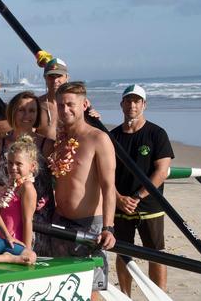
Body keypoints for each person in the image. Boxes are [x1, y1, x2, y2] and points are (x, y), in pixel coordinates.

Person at [50, 81, 116, 296]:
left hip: (90, 226)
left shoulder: (98, 139)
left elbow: (108, 188)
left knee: (90, 291)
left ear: (84, 104)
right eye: (61, 105)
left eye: (71, 104)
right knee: (64, 288)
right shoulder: (58, 141)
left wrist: (109, 227)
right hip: (60, 224)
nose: (65, 109)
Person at [111, 84, 173, 296]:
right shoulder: (112, 136)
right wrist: (118, 198)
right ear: (122, 104)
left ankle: (159, 295)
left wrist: (137, 196)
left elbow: (162, 171)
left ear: (144, 104)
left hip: (150, 205)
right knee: (123, 253)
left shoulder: (157, 134)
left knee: (156, 254)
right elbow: (105, 174)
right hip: (120, 206)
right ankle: (125, 295)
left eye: (137, 101)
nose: (132, 105)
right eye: (128, 100)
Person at [0, 91, 55, 256]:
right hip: (8, 216)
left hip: (39, 219)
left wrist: (47, 197)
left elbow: (59, 180)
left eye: (32, 110)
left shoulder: (47, 144)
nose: (27, 115)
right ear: (12, 112)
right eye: (21, 110)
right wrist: (1, 191)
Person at [0, 135, 39, 263]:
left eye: (19, 164)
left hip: (15, 242)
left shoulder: (27, 187)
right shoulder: (10, 185)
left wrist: (27, 250)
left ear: (32, 166)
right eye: (10, 163)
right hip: (1, 238)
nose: (13, 167)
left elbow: (27, 221)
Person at [36, 58, 69, 140]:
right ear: (45, 78)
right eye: (51, 76)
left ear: (67, 77)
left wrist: (93, 118)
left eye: (59, 76)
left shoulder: (76, 105)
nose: (55, 80)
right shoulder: (36, 105)